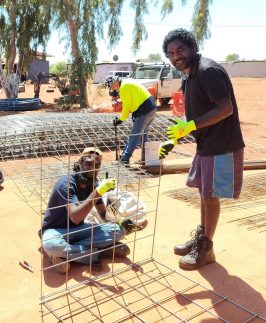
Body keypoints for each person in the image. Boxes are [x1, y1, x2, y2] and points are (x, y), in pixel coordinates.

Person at [159, 28, 245, 270]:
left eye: (180, 49)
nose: (176, 56)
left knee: (210, 195)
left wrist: (190, 126)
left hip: (222, 144)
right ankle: (202, 238)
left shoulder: (208, 71)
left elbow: (225, 108)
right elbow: (194, 115)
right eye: (170, 53)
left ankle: (206, 249)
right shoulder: (190, 76)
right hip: (206, 143)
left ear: (192, 47)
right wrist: (175, 138)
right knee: (203, 193)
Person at [39, 147, 130, 274]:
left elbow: (103, 214)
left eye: (96, 165)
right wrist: (98, 192)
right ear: (79, 163)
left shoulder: (93, 184)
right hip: (57, 231)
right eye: (88, 163)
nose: (91, 168)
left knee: (119, 231)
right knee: (51, 244)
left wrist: (120, 220)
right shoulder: (66, 184)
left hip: (79, 231)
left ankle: (73, 253)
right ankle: (96, 253)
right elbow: (75, 217)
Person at [106, 76, 157, 165]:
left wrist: (121, 119)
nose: (112, 89)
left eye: (111, 87)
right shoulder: (127, 82)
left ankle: (125, 158)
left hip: (143, 110)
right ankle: (145, 159)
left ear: (115, 83)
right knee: (143, 136)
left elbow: (127, 106)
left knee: (135, 135)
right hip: (151, 107)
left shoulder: (124, 87)